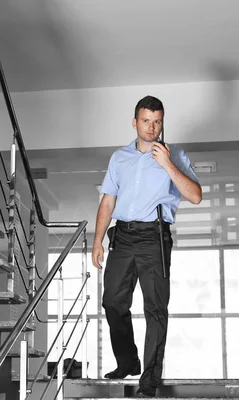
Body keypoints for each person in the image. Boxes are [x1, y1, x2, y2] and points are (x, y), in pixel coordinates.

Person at [92, 95, 202, 398]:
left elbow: (195, 196)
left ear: (162, 123)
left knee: (155, 309)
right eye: (146, 121)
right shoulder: (119, 158)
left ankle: (149, 380)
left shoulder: (174, 154)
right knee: (113, 301)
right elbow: (108, 200)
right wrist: (97, 240)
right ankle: (127, 361)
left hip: (155, 238)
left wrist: (167, 164)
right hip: (122, 238)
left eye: (157, 122)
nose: (152, 127)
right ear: (135, 122)